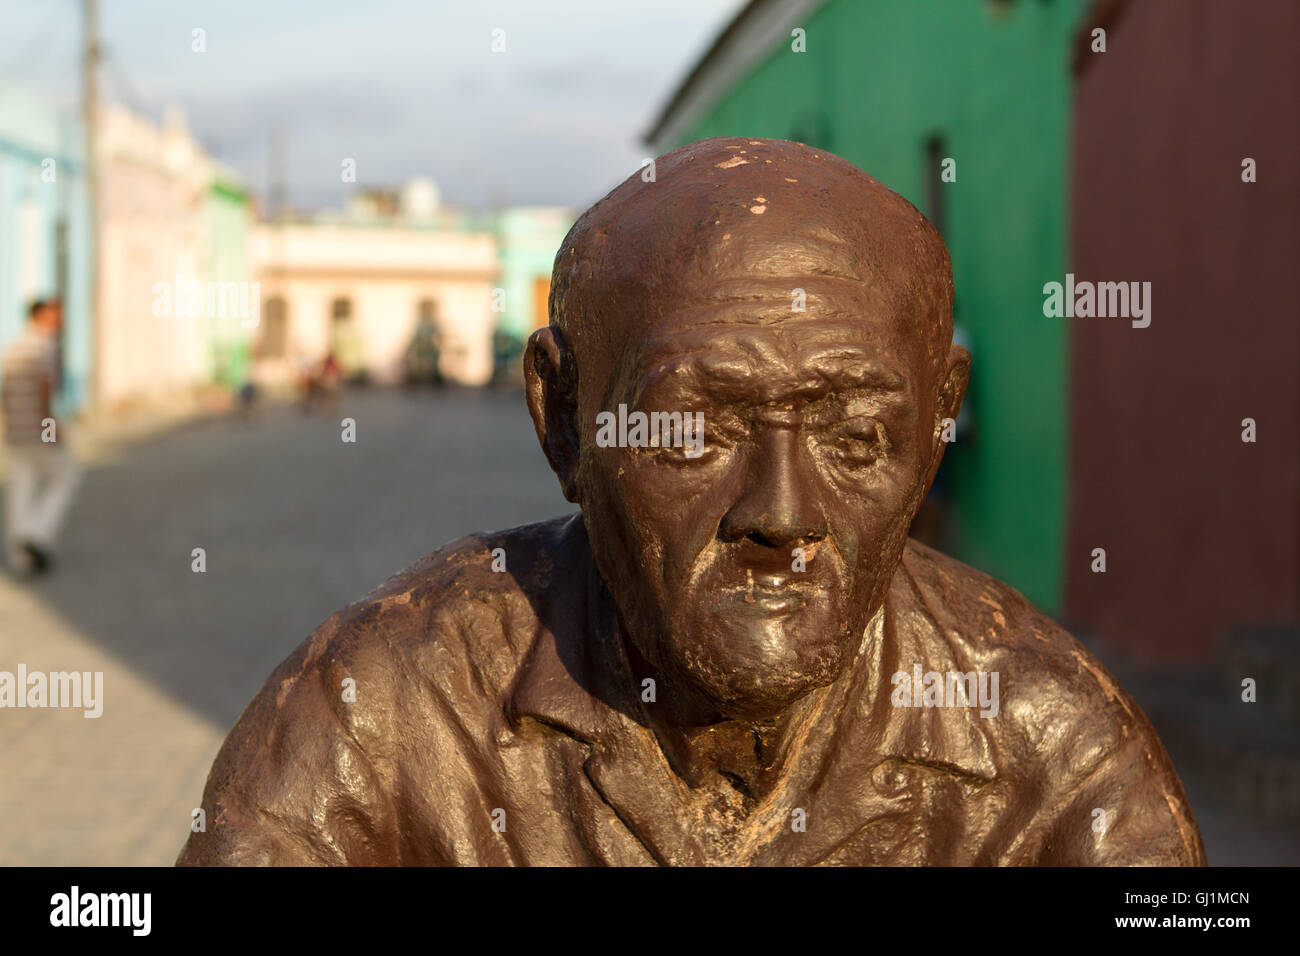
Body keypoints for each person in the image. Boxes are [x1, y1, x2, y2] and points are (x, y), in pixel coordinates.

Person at [178, 138, 1204, 866]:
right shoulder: (383, 715)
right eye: (693, 431)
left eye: (853, 437)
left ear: (938, 422)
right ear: (564, 421)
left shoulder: (1053, 757)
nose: (782, 514)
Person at [2, 298, 81, 576]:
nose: (59, 319)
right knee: (65, 477)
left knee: (22, 488)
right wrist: (51, 430)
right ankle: (36, 536)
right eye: (54, 314)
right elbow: (44, 392)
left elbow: (6, 393)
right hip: (38, 430)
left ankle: (20, 554)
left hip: (16, 431)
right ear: (41, 316)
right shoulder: (44, 347)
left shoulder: (13, 348)